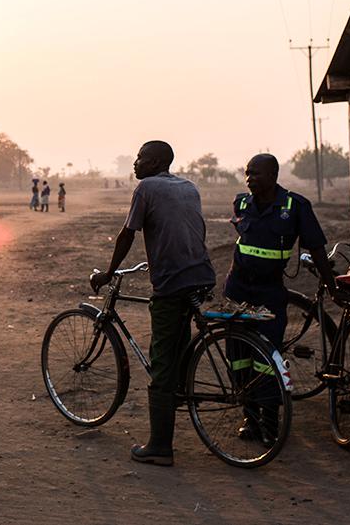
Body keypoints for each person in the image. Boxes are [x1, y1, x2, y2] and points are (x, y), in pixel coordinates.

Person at [91, 141, 215, 466]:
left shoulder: (146, 188)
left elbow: (127, 235)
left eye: (141, 158)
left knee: (160, 360)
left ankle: (160, 446)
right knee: (179, 343)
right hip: (201, 275)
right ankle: (178, 394)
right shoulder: (189, 186)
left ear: (157, 162)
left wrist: (108, 273)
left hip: (172, 283)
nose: (135, 163)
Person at [224, 153, 336, 444]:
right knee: (238, 358)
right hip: (238, 291)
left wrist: (332, 284)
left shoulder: (295, 206)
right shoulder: (242, 203)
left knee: (267, 358)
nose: (250, 179)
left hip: (269, 293)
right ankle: (249, 418)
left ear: (274, 175)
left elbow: (317, 247)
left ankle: (270, 422)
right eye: (247, 173)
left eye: (256, 174)